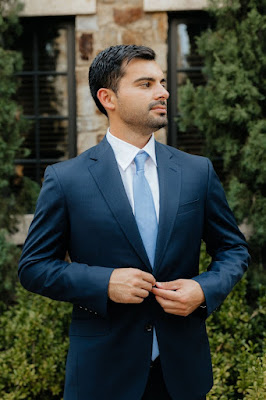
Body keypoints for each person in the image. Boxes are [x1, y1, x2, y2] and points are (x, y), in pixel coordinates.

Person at [18, 45, 250, 400]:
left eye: (161, 82)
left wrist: (204, 289)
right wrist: (104, 282)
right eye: (145, 84)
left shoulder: (196, 171)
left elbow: (233, 249)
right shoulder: (66, 179)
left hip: (182, 376)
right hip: (101, 377)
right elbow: (33, 267)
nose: (163, 92)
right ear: (107, 98)